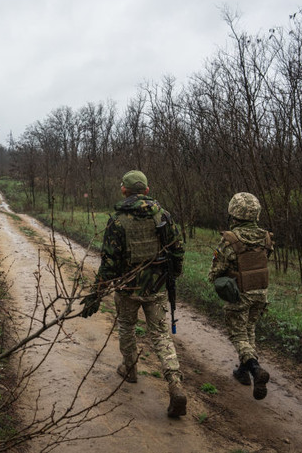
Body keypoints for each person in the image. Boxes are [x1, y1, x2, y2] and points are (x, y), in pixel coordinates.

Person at [80, 170, 187, 417]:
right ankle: (175, 383)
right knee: (161, 335)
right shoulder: (165, 216)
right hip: (158, 286)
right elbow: (178, 251)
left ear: (124, 191)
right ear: (147, 191)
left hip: (128, 288)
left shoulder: (117, 222)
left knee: (127, 326)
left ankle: (129, 370)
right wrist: (174, 275)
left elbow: (109, 265)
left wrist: (96, 294)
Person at [208, 192, 274, 400]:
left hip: (240, 294)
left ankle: (254, 369)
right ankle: (243, 372)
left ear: (233, 214)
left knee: (238, 335)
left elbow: (215, 271)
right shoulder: (266, 237)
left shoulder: (230, 240)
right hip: (260, 293)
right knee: (249, 329)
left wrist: (217, 278)